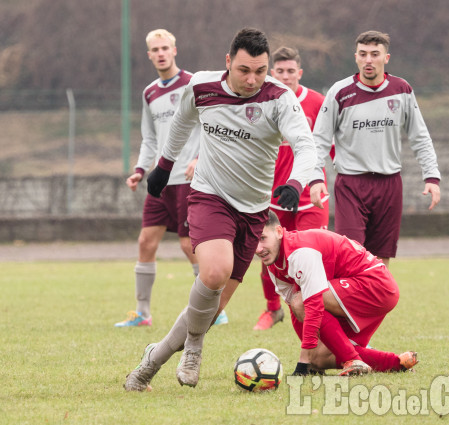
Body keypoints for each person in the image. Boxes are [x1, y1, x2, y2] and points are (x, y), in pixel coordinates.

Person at [123, 27, 318, 391]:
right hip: (210, 196)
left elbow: (306, 145)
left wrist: (296, 181)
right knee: (213, 273)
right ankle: (194, 346)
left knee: (211, 305)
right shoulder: (201, 87)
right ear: (228, 62)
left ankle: (150, 364)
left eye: (261, 71)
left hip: (254, 211)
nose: (252, 79)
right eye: (244, 70)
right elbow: (181, 122)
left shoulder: (279, 98)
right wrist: (164, 166)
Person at [113, 29, 231, 328]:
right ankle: (142, 314)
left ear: (175, 50)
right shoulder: (150, 92)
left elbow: (211, 126)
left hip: (189, 180)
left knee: (188, 245)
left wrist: (199, 158)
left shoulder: (194, 84)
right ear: (149, 55)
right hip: (159, 181)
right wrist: (140, 170)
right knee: (145, 242)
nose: (161, 53)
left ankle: (213, 308)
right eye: (155, 49)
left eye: (165, 47)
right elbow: (149, 138)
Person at [310, 30, 441, 266]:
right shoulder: (339, 92)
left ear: (386, 58)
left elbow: (420, 136)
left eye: (374, 54)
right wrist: (314, 177)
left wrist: (432, 176)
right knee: (350, 254)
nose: (368, 60)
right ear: (356, 57)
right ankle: (349, 302)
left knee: (381, 260)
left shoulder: (402, 90)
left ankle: (376, 303)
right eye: (363, 54)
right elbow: (319, 139)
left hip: (389, 184)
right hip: (351, 183)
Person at [256, 210, 419, 375]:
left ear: (278, 232)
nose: (258, 248)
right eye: (254, 240)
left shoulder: (301, 252)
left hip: (376, 285)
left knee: (302, 302)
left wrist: (302, 362)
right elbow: (296, 312)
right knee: (319, 358)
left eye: (263, 238)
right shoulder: (273, 264)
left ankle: (352, 360)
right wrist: (310, 358)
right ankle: (398, 363)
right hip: (352, 293)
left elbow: (312, 304)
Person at [252, 46, 331, 331]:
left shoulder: (317, 103)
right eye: (280, 71)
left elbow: (328, 147)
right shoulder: (263, 102)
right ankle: (272, 311)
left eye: (291, 72)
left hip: (310, 196)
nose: (285, 77)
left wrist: (327, 181)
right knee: (267, 254)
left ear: (300, 73)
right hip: (272, 196)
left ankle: (318, 312)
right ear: (272, 73)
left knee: (312, 256)